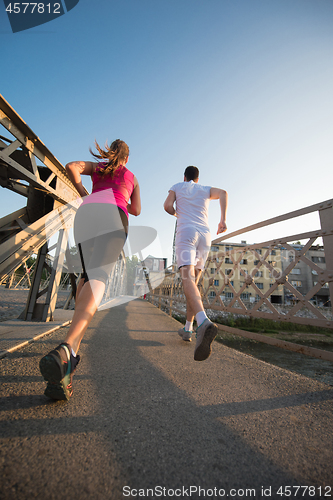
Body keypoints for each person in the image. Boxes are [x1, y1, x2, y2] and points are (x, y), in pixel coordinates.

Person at [39, 139, 141, 400]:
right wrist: (124, 197)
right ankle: (66, 347)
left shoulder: (98, 168)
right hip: (114, 216)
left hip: (87, 215)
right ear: (127, 158)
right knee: (99, 276)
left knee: (86, 276)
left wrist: (86, 193)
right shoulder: (131, 176)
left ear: (111, 153)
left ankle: (69, 360)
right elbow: (137, 210)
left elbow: (71, 166)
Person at [164, 166, 227, 361]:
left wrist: (177, 214)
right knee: (194, 283)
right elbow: (224, 193)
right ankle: (188, 329)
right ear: (197, 179)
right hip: (205, 236)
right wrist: (222, 220)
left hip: (187, 232)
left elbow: (167, 206)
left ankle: (203, 322)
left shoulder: (178, 186)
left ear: (184, 177)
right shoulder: (205, 189)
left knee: (186, 279)